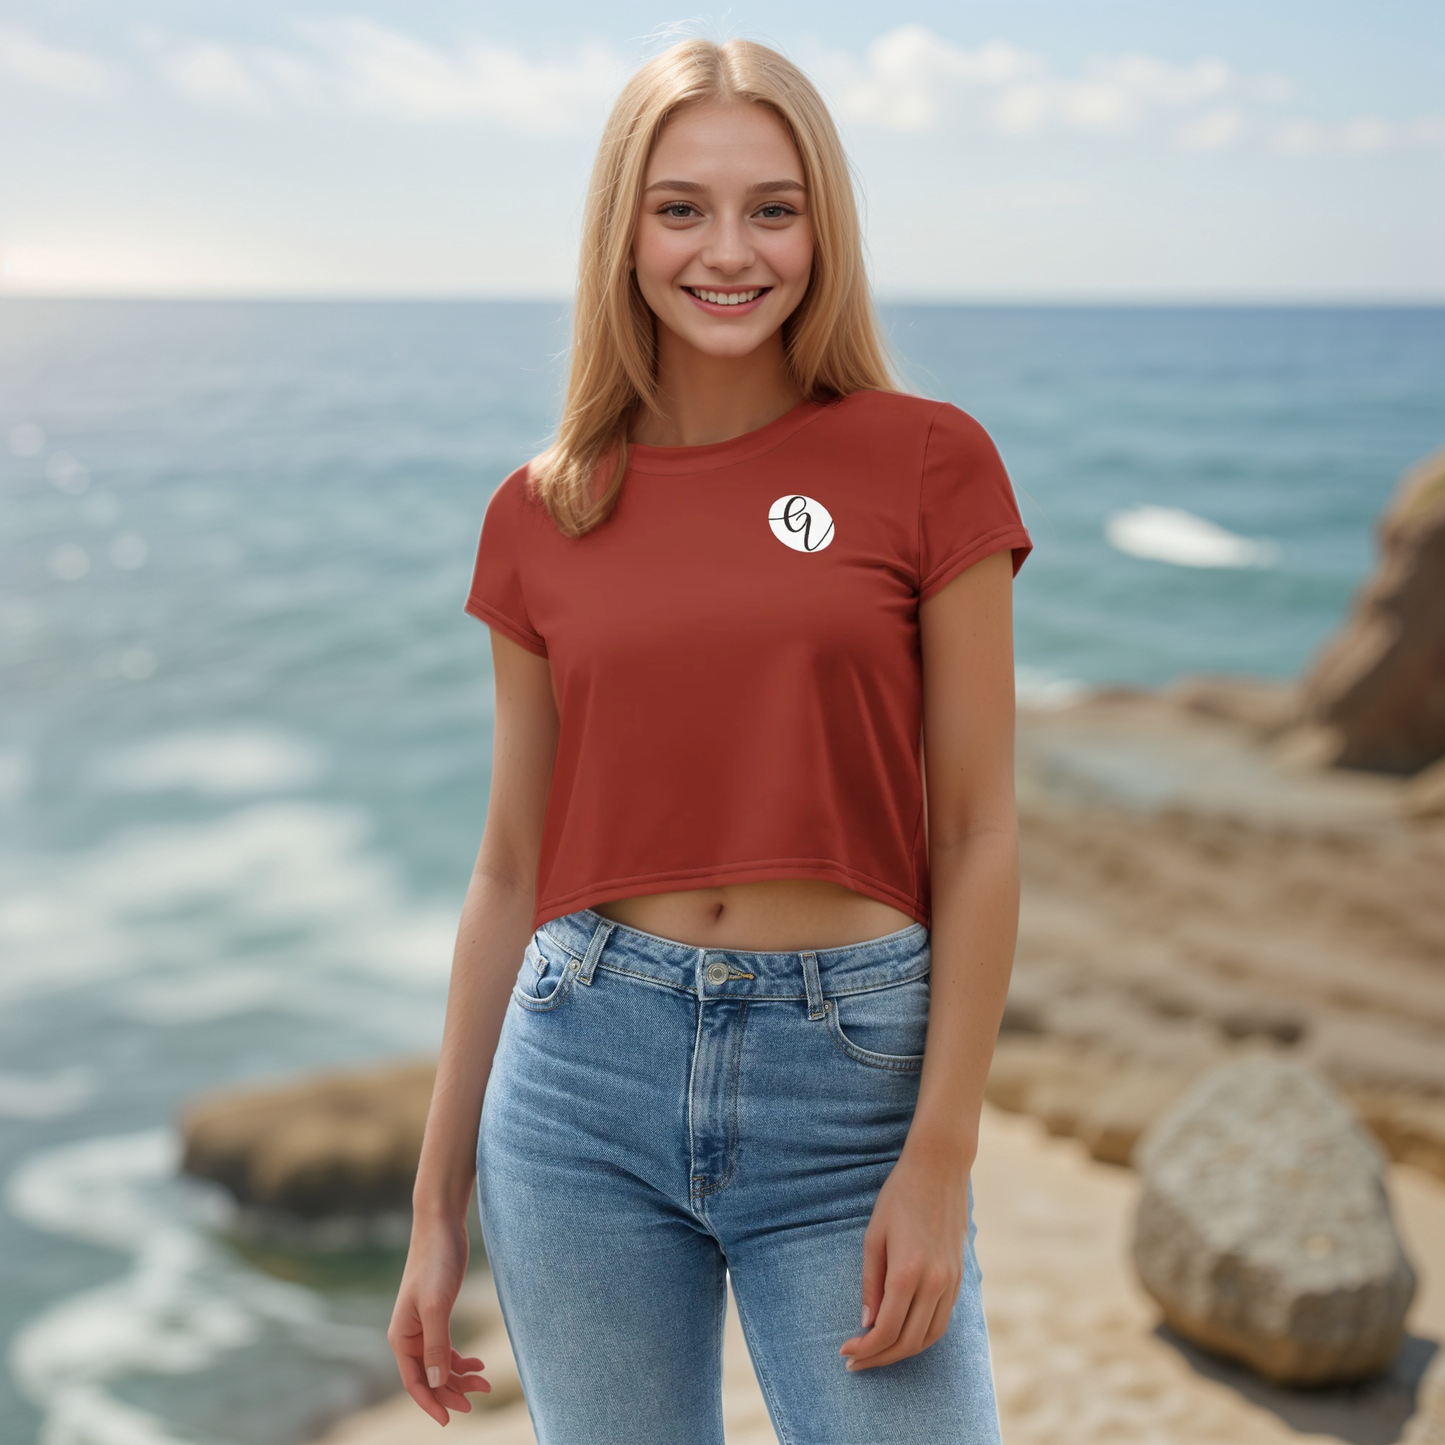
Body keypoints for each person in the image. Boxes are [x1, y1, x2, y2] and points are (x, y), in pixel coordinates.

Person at [387, 35, 1032, 1445]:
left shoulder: (931, 463)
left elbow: (979, 831)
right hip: (580, 1084)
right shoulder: (541, 510)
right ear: (624, 230)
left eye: (773, 208)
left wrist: (941, 1157)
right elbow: (508, 870)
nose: (728, 251)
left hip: (852, 1090)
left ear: (823, 228)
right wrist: (437, 1214)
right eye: (682, 207)